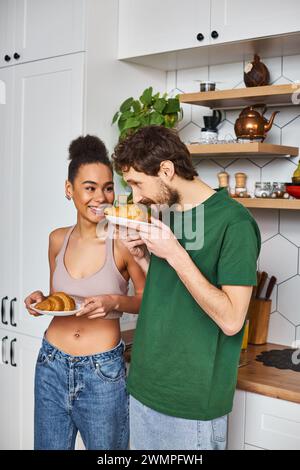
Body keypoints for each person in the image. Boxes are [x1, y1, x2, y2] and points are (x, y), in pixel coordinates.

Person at [113, 125, 261, 450]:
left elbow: (232, 319)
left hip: (189, 404)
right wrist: (144, 258)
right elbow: (173, 293)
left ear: (166, 170)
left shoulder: (235, 224)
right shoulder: (169, 215)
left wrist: (175, 253)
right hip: (143, 388)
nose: (136, 197)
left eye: (137, 183)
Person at [24, 135, 145, 450]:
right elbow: (59, 298)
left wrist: (114, 302)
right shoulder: (56, 240)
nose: (101, 197)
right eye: (90, 187)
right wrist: (40, 300)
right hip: (51, 364)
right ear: (70, 190)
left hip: (102, 373)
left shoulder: (124, 241)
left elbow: (149, 302)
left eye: (107, 188)